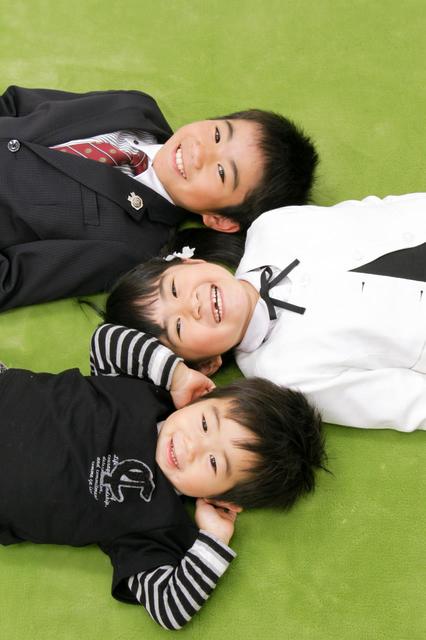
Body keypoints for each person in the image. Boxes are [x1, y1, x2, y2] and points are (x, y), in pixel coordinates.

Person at [0, 360, 325, 630]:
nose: (192, 446)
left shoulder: (158, 524)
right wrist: (177, 374)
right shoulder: (148, 392)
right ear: (200, 400)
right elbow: (106, 340)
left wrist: (214, 538)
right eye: (204, 423)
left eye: (214, 463)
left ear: (224, 499)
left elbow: (169, 609)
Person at [99, 193, 426, 432]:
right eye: (179, 327)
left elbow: (375, 211)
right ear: (208, 365)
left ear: (191, 262)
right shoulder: (283, 375)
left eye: (173, 289)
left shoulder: (271, 227)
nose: (192, 305)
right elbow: (400, 402)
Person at [0, 85, 318, 310]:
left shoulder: (133, 246)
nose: (199, 152)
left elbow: (11, 280)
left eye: (221, 172)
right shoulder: (136, 107)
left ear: (221, 220)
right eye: (218, 134)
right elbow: (16, 104)